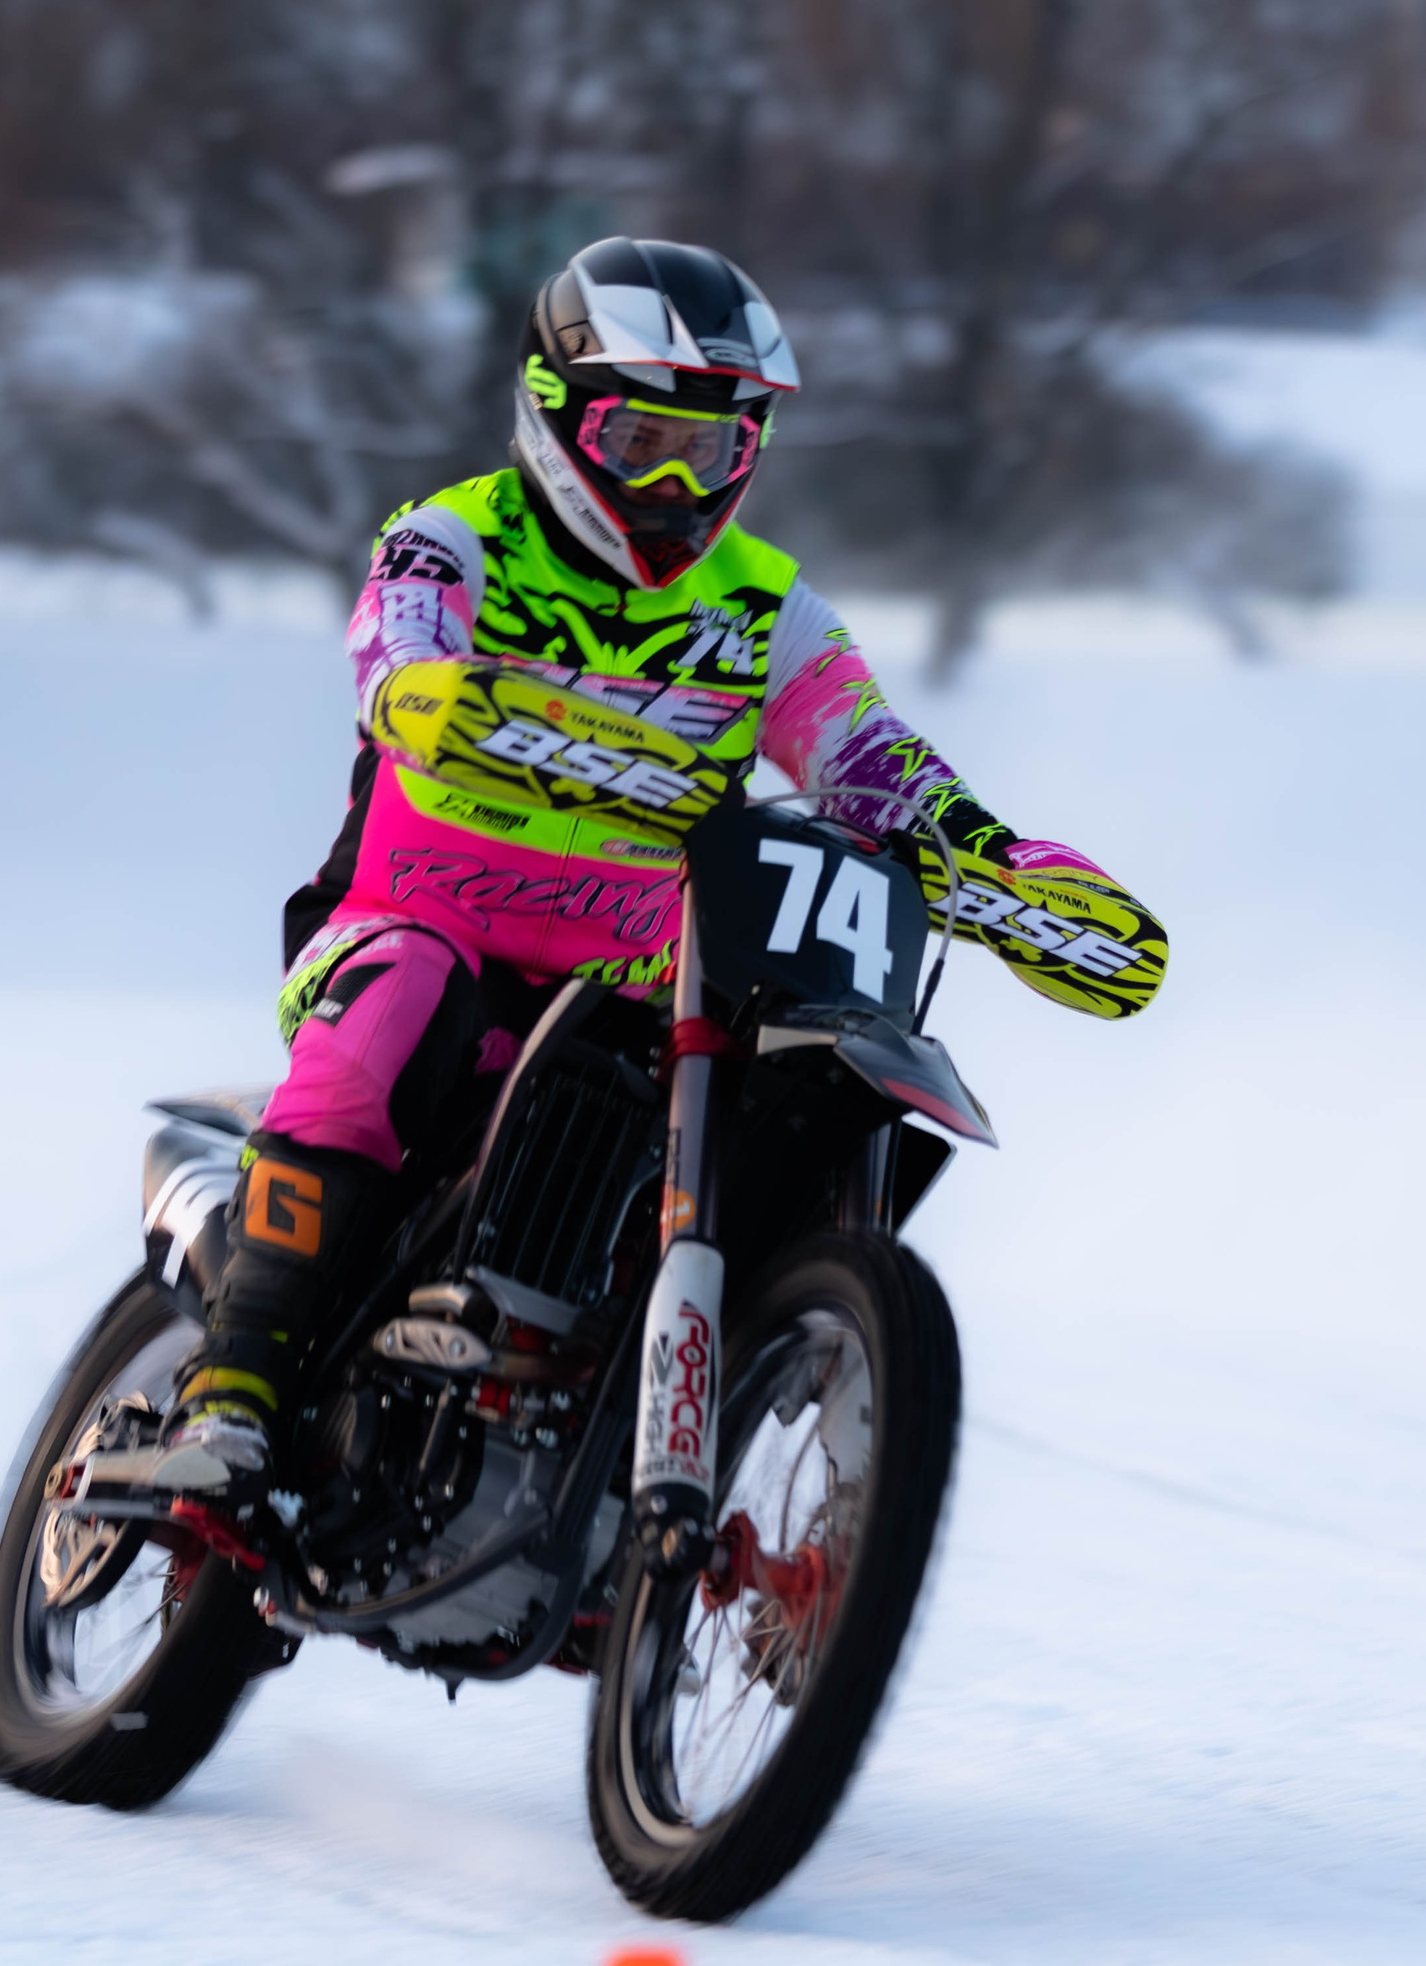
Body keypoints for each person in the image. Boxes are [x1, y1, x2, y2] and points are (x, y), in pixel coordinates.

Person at [149, 237, 1168, 1504]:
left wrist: (993, 859)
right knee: (400, 1003)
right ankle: (236, 1386)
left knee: (765, 1093)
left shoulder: (767, 608)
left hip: (643, 978)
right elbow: (394, 646)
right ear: (557, 415)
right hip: (413, 923)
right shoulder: (455, 534)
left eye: (714, 448)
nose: (680, 483)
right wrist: (423, 691)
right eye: (643, 444)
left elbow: (866, 753)